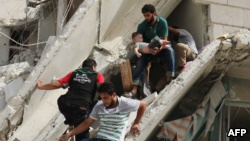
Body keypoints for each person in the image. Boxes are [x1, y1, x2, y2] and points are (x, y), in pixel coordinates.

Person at [37, 59, 104, 141]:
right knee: (82, 136)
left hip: (65, 105)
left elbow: (56, 84)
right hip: (82, 109)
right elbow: (103, 88)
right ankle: (73, 123)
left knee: (61, 100)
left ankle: (70, 122)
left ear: (82, 67)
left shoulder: (74, 73)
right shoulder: (97, 75)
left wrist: (40, 86)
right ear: (93, 67)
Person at [58, 82, 147, 141]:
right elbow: (86, 123)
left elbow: (143, 105)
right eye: (101, 98)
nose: (103, 101)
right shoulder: (99, 105)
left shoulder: (125, 103)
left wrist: (136, 123)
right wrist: (69, 134)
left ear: (114, 95)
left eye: (106, 98)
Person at [126, 4, 175, 97]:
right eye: (144, 16)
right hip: (148, 50)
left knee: (170, 50)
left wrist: (158, 50)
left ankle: (170, 78)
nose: (146, 18)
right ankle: (134, 88)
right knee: (140, 61)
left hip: (160, 49)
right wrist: (147, 50)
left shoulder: (163, 22)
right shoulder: (142, 26)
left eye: (148, 15)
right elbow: (140, 42)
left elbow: (165, 40)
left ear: (154, 14)